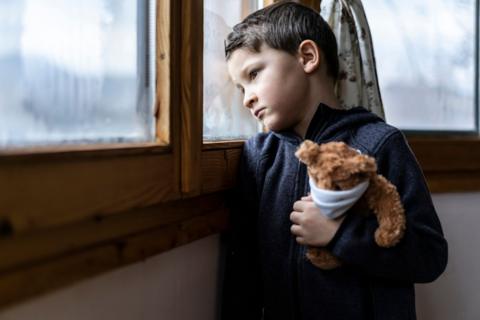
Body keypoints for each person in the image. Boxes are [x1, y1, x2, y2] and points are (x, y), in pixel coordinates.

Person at [220, 1, 448, 320]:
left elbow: (430, 255)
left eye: (254, 74)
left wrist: (341, 234)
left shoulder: (380, 143)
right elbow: (241, 269)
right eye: (241, 87)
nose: (247, 97)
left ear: (307, 57)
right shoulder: (259, 155)